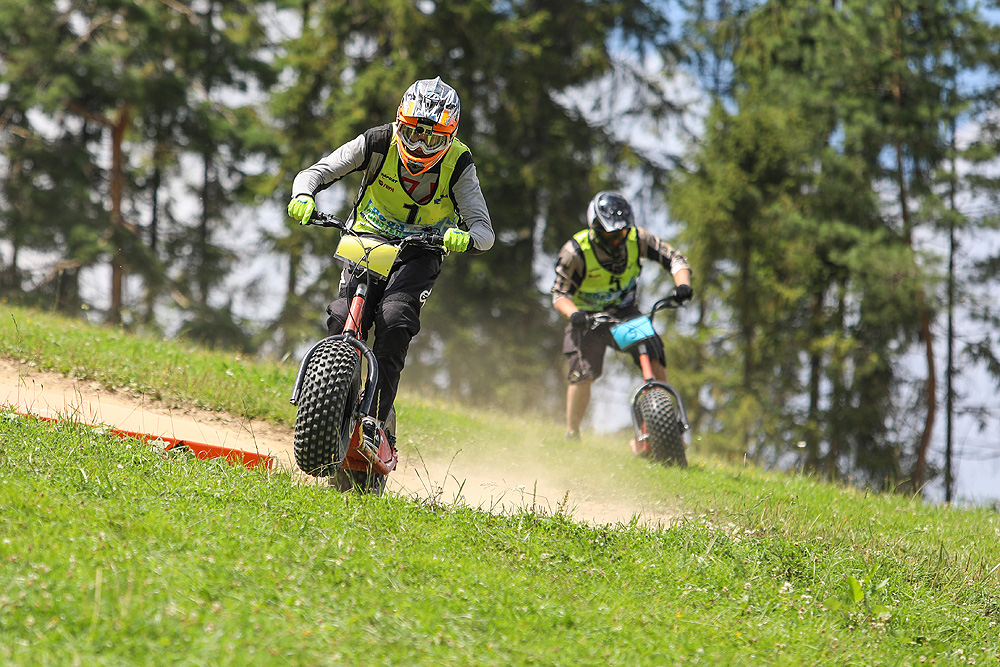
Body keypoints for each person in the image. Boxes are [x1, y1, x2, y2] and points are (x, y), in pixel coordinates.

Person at [287, 76, 494, 445]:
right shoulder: (377, 141)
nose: (420, 144)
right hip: (365, 239)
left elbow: (485, 231)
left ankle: (374, 421)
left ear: (450, 137)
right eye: (413, 133)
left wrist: (464, 237)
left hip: (421, 251)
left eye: (432, 138)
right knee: (342, 316)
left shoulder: (459, 163)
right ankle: (328, 398)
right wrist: (304, 195)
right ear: (400, 123)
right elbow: (317, 172)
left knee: (394, 322)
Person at [551, 190, 692, 442]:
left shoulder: (638, 239)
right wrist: (574, 315)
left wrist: (682, 285)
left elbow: (674, 259)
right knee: (582, 373)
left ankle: (669, 430)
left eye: (622, 232)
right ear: (595, 227)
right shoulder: (576, 252)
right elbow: (559, 294)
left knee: (653, 353)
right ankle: (572, 433)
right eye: (610, 234)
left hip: (625, 314)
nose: (617, 239)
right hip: (587, 320)